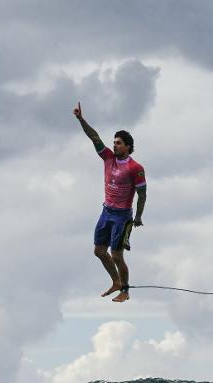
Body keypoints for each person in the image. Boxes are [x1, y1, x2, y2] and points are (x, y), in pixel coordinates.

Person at [73, 102, 146, 302]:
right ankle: (115, 281)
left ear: (128, 147)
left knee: (116, 254)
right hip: (106, 212)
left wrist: (138, 217)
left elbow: (142, 194)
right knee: (99, 251)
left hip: (122, 216)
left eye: (119, 143)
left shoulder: (135, 167)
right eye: (114, 142)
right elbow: (94, 137)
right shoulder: (107, 158)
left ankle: (125, 290)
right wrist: (81, 119)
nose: (114, 145)